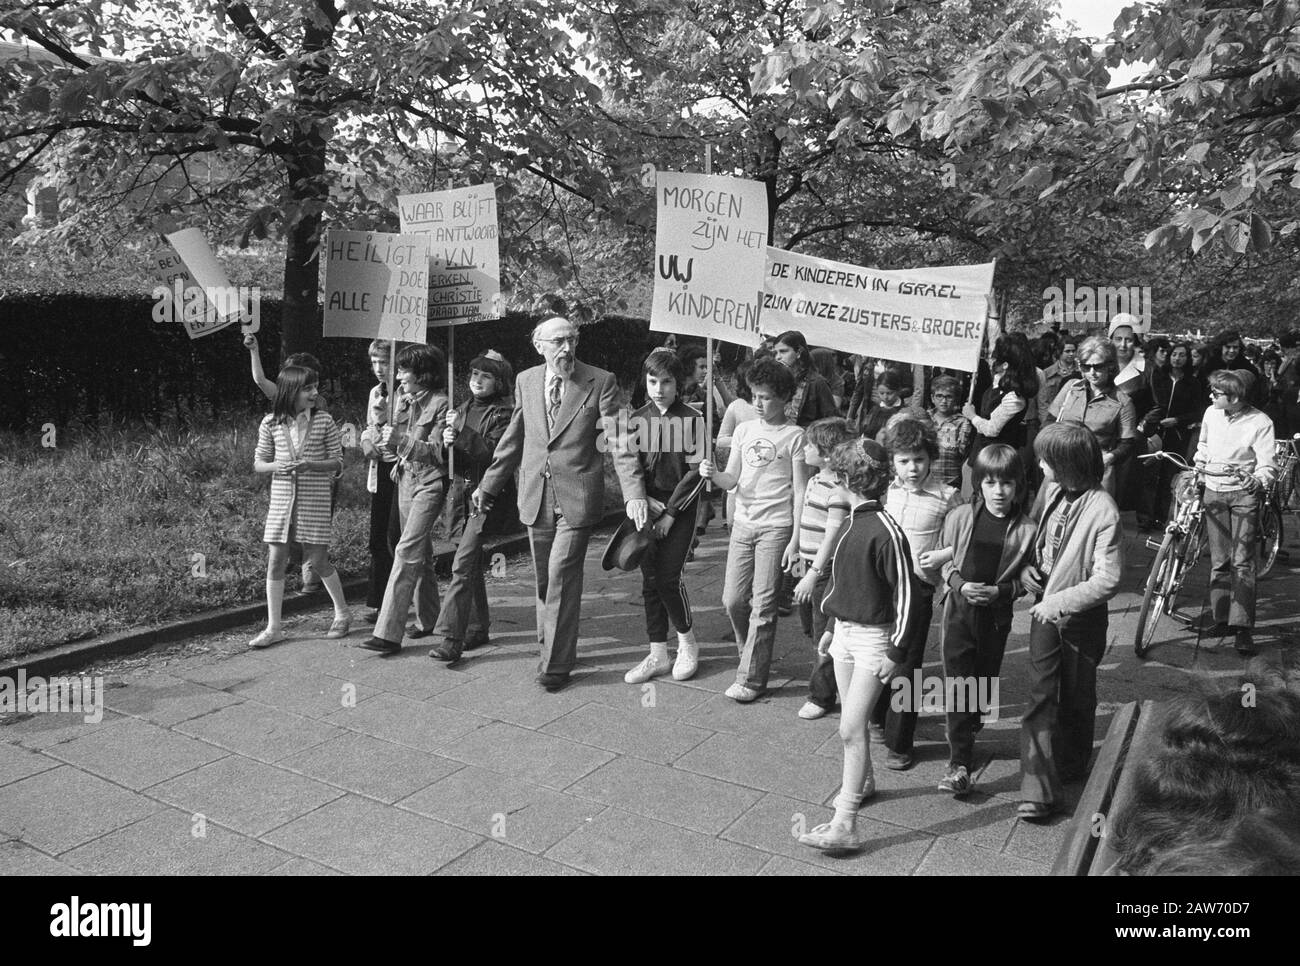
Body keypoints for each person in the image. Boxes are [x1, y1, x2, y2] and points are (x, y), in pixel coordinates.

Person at [473, 317, 642, 691]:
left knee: (563, 575)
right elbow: (514, 439)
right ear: (540, 346)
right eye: (558, 342)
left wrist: (633, 494)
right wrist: (488, 486)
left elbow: (620, 441)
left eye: (572, 340)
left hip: (577, 498)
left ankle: (556, 664)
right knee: (543, 579)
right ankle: (549, 646)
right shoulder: (526, 381)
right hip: (536, 496)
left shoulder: (600, 380)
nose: (567, 348)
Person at [796, 437, 915, 852]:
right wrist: (831, 624)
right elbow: (844, 583)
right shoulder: (850, 523)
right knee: (853, 722)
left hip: (873, 641)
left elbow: (908, 597)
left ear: (844, 480)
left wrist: (896, 652)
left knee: (849, 729)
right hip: (846, 633)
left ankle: (845, 823)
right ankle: (863, 782)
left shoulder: (885, 532)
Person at [1017, 422, 1123, 820]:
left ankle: (1074, 762)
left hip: (1080, 621)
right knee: (1040, 696)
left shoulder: (1104, 510)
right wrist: (1027, 568)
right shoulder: (1050, 491)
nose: (1039, 464)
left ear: (1067, 463)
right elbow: (1036, 538)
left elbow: (1108, 579)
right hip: (1044, 613)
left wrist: (1059, 602)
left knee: (1077, 697)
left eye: (1046, 459)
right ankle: (1038, 789)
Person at [699, 357, 806, 703]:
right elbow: (731, 479)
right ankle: (751, 653)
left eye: (766, 397)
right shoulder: (744, 430)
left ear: (786, 398)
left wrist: (796, 538)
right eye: (755, 396)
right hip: (743, 525)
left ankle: (752, 678)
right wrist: (712, 474)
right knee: (732, 600)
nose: (757, 404)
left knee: (764, 604)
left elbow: (801, 489)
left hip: (776, 528)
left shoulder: (795, 436)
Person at [935, 444, 1036, 796]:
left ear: (1017, 486)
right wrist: (959, 584)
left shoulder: (1026, 529)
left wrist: (1002, 592)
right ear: (978, 484)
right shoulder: (960, 518)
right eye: (990, 483)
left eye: (1006, 483)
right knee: (960, 684)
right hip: (959, 613)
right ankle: (959, 763)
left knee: (984, 679)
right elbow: (944, 563)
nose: (998, 491)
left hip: (995, 617)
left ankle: (972, 723)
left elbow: (1025, 579)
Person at [873, 417, 961, 769]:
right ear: (893, 461)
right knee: (880, 654)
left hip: (919, 589)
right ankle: (879, 717)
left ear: (932, 458)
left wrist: (944, 554)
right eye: (904, 460)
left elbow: (965, 536)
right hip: (882, 587)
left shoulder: (947, 496)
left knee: (907, 664)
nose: (912, 468)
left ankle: (900, 742)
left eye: (919, 460)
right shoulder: (887, 491)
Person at [619, 348, 706, 684]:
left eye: (666, 382)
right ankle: (657, 652)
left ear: (678, 383)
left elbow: (696, 472)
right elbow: (630, 465)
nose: (658, 388)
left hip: (678, 510)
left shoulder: (692, 419)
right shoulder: (637, 417)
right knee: (649, 580)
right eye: (652, 381)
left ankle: (687, 643)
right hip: (645, 507)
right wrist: (641, 499)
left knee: (669, 577)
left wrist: (671, 511)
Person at [249, 365, 349, 648]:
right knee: (276, 560)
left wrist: (310, 465)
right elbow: (258, 463)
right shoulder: (270, 422)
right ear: (291, 391)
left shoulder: (325, 420)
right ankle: (274, 627)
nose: (314, 393)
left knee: (317, 560)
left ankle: (342, 614)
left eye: (315, 387)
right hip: (282, 500)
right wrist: (276, 465)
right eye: (308, 388)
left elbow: (337, 462)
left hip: (314, 497)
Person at [426, 351, 514, 663]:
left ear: (499, 381)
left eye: (486, 376)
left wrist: (461, 435)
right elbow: (440, 458)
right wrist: (445, 440)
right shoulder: (459, 410)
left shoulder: (504, 413)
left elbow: (494, 454)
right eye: (474, 374)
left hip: (486, 497)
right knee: (471, 563)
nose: (477, 381)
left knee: (462, 565)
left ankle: (452, 639)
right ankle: (477, 625)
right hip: (459, 499)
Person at [361, 345, 450, 654]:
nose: (397, 375)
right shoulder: (399, 399)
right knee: (421, 554)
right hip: (405, 480)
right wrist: (372, 433)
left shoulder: (441, 404)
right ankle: (429, 619)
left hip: (429, 483)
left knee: (406, 548)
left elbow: (440, 454)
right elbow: (377, 431)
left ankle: (387, 632)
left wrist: (402, 442)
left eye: (403, 369)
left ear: (423, 373)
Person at [1195, 369, 1276, 655]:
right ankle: (1221, 619)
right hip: (1213, 491)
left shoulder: (1261, 422)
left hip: (1243, 496)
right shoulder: (1210, 413)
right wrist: (1200, 466)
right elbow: (1203, 445)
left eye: (1217, 393)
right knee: (1219, 559)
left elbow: (1268, 464)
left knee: (1242, 562)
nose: (1211, 396)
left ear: (1236, 396)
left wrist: (1258, 479)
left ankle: (1242, 628)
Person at [244, 334, 329, 592]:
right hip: (289, 480)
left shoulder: (318, 405)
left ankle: (311, 574)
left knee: (312, 526)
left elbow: (329, 444)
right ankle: (297, 565)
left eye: (313, 382)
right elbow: (260, 380)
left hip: (315, 476)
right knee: (289, 522)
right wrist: (254, 350)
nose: (311, 389)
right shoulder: (282, 403)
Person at [792, 417, 857, 720]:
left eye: (809, 445)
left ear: (828, 454)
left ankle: (821, 695)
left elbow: (831, 538)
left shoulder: (837, 489)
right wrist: (794, 549)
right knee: (810, 627)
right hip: (806, 566)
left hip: (823, 571)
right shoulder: (816, 479)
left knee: (822, 634)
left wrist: (813, 573)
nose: (804, 449)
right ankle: (837, 672)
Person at [1043, 336, 1137, 497]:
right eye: (1086, 367)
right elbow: (1049, 422)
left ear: (1110, 366)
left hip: (1096, 472)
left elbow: (1127, 443)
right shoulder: (1071, 388)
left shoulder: (1123, 402)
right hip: (1061, 466)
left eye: (1098, 367)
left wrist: (1108, 458)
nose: (1092, 372)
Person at [358, 340, 402, 622]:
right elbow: (368, 426)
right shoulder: (376, 391)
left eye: (384, 362)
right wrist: (364, 439)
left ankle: (397, 598)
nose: (378, 368)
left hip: (399, 468)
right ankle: (378, 600)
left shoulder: (403, 393)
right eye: (374, 362)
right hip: (380, 469)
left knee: (394, 537)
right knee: (377, 537)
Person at [1138, 340, 1202, 527]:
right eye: (1174, 354)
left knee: (1168, 477)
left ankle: (1159, 517)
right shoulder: (1157, 376)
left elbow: (1197, 411)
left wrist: (1178, 420)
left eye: (1182, 355)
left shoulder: (1193, 383)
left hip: (1178, 435)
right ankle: (1144, 517)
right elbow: (1147, 401)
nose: (1177, 358)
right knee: (1149, 474)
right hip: (1154, 432)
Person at [963, 334, 1037, 468]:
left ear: (1005, 365)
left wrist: (972, 416)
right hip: (980, 451)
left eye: (994, 357)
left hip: (995, 459)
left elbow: (992, 429)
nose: (991, 360)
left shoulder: (1014, 398)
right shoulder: (997, 383)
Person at [929, 375, 973, 490]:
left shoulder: (962, 422)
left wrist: (965, 436)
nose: (944, 401)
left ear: (956, 399)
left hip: (951, 481)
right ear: (932, 398)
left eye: (949, 397)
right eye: (939, 396)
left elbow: (963, 453)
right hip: (926, 479)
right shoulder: (925, 418)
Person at [854, 369, 906, 440]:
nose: (885, 397)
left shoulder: (903, 412)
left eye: (889, 393)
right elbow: (867, 431)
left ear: (898, 391)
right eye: (881, 393)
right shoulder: (874, 410)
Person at [1041, 333, 1080, 406]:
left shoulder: (1082, 370)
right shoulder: (1047, 373)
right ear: (1059, 351)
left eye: (1073, 351)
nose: (1071, 354)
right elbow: (1043, 400)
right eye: (1067, 351)